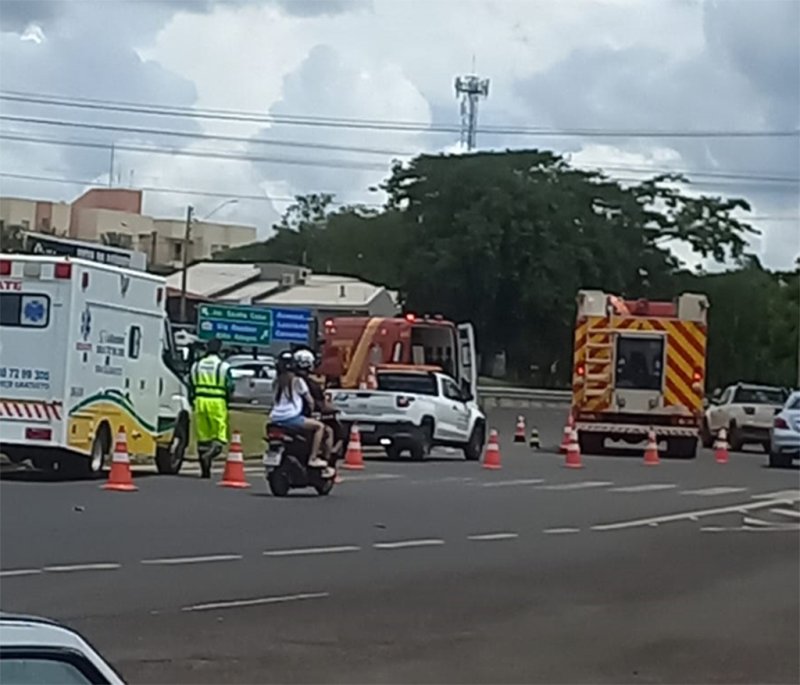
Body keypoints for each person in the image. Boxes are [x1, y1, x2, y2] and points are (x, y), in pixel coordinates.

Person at [269, 351, 331, 473]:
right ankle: (313, 458)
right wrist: (311, 412)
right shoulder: (298, 381)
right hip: (292, 419)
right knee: (320, 427)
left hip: (274, 419)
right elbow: (310, 401)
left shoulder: (276, 382)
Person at [189, 338, 233, 479]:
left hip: (200, 401)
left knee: (203, 437)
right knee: (219, 436)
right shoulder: (223, 367)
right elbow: (230, 386)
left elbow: (190, 384)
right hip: (217, 402)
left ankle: (205, 470)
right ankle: (210, 454)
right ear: (219, 349)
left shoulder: (196, 365)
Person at [293, 348, 340, 462]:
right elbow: (313, 402)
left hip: (285, 418)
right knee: (327, 431)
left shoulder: (287, 380)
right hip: (301, 417)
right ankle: (319, 458)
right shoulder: (307, 383)